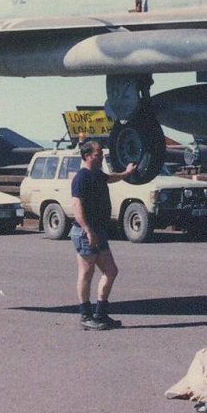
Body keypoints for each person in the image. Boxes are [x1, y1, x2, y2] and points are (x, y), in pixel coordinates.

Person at [71, 138, 136, 330]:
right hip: (86, 232)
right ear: (88, 155)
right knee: (86, 272)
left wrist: (127, 173)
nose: (102, 157)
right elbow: (77, 206)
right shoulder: (81, 178)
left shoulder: (97, 174)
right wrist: (88, 230)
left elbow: (111, 177)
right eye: (99, 154)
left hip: (98, 231)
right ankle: (85, 315)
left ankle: (100, 313)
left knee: (111, 271)